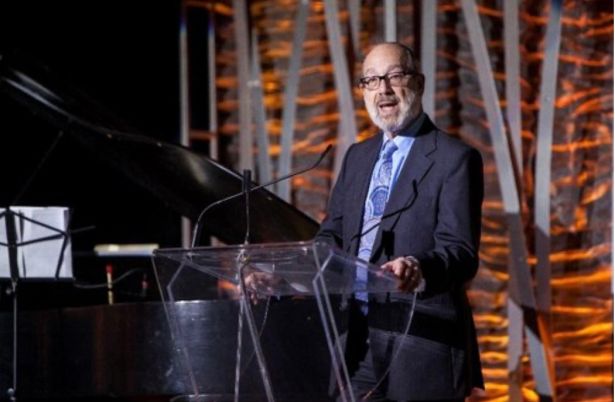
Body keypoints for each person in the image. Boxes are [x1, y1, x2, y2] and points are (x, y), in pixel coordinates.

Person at [316, 42, 485, 401]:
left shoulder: (455, 159)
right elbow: (332, 234)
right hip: (354, 342)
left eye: (395, 76)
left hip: (420, 345)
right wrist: (283, 271)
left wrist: (418, 266)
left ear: (419, 83)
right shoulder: (357, 157)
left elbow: (461, 251)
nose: (384, 90)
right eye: (372, 80)